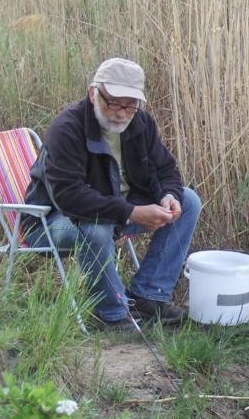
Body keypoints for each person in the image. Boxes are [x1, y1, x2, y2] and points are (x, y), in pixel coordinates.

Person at [22, 58, 201, 331]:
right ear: (94, 93)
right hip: (50, 221)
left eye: (130, 105)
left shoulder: (141, 123)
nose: (121, 113)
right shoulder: (67, 128)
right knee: (95, 228)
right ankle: (112, 314)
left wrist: (169, 195)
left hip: (113, 214)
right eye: (114, 102)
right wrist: (131, 212)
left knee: (188, 201)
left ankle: (147, 297)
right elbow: (69, 197)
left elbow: (166, 168)